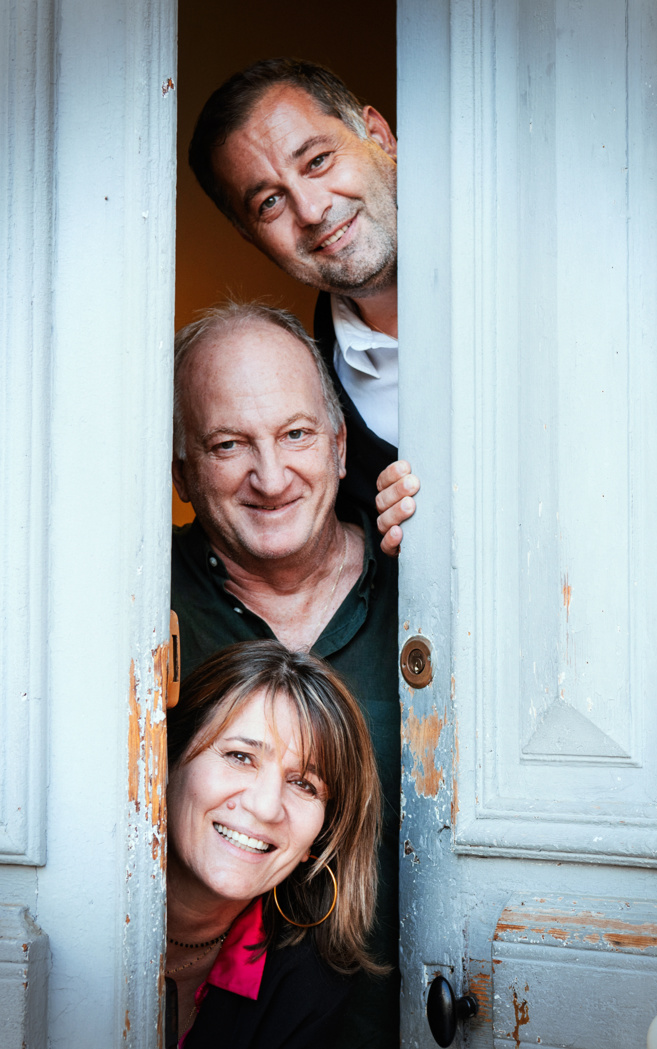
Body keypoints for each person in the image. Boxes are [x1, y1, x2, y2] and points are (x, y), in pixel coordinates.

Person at [171, 301, 399, 1047]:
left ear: (339, 446)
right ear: (182, 471)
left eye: (296, 434)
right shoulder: (130, 599)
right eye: (229, 443)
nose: (270, 477)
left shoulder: (428, 579)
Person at [188, 57, 419, 547]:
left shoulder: (551, 274)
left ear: (379, 136)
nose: (312, 211)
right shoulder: (303, 412)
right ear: (250, 236)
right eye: (269, 202)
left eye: (317, 161)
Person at [165, 640, 384, 1048]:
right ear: (168, 759)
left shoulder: (308, 986)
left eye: (303, 784)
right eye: (240, 756)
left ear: (319, 837)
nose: (266, 808)